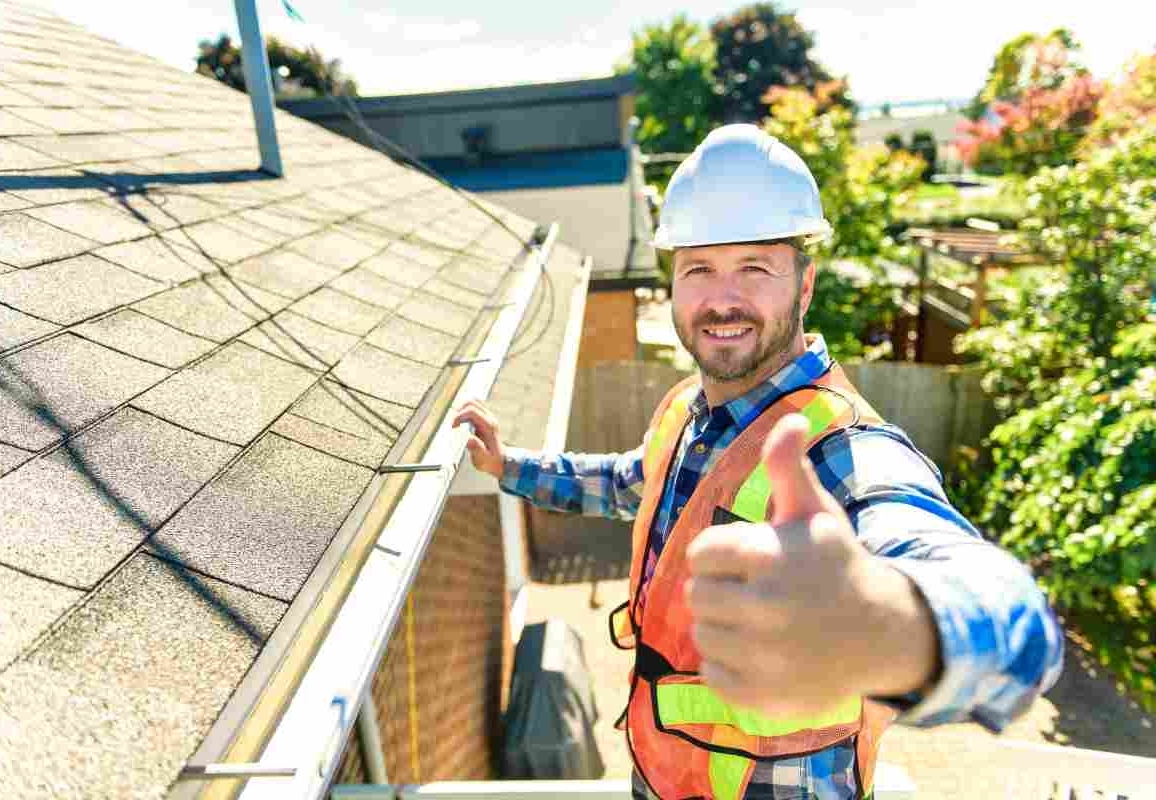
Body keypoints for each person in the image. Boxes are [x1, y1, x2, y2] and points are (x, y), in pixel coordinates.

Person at [453, 124, 1063, 800]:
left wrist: (886, 621)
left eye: (755, 268)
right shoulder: (689, 412)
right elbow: (633, 484)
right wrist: (510, 466)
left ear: (804, 288)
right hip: (668, 772)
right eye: (700, 269)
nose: (722, 299)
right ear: (674, 287)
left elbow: (1019, 627)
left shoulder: (835, 446)